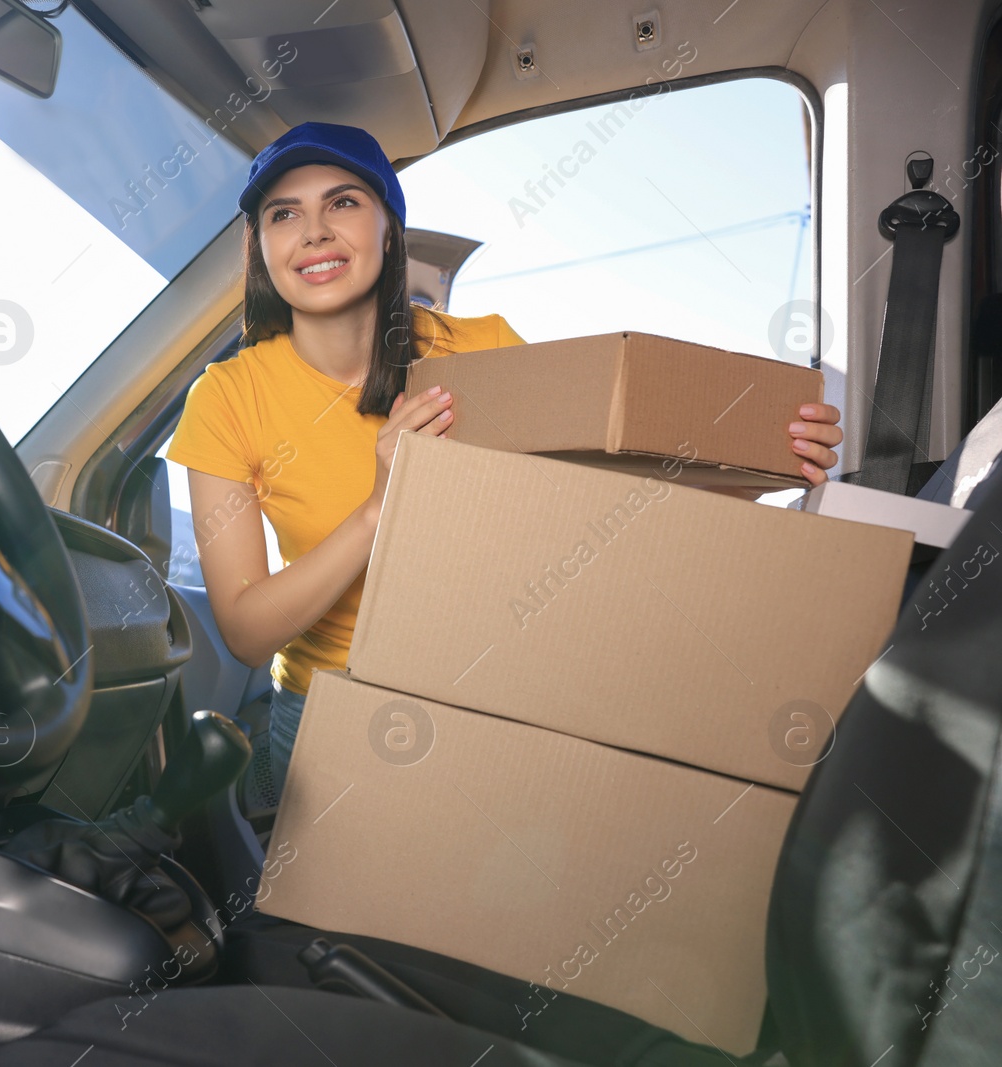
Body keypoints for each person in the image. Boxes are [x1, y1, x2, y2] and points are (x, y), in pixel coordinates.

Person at [163, 122, 842, 797]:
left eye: (342, 202)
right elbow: (248, 633)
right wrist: (378, 510)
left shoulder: (482, 351)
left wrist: (761, 468)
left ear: (389, 229)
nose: (314, 231)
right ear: (262, 246)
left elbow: (606, 516)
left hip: (498, 689)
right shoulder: (228, 397)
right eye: (285, 214)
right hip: (332, 705)